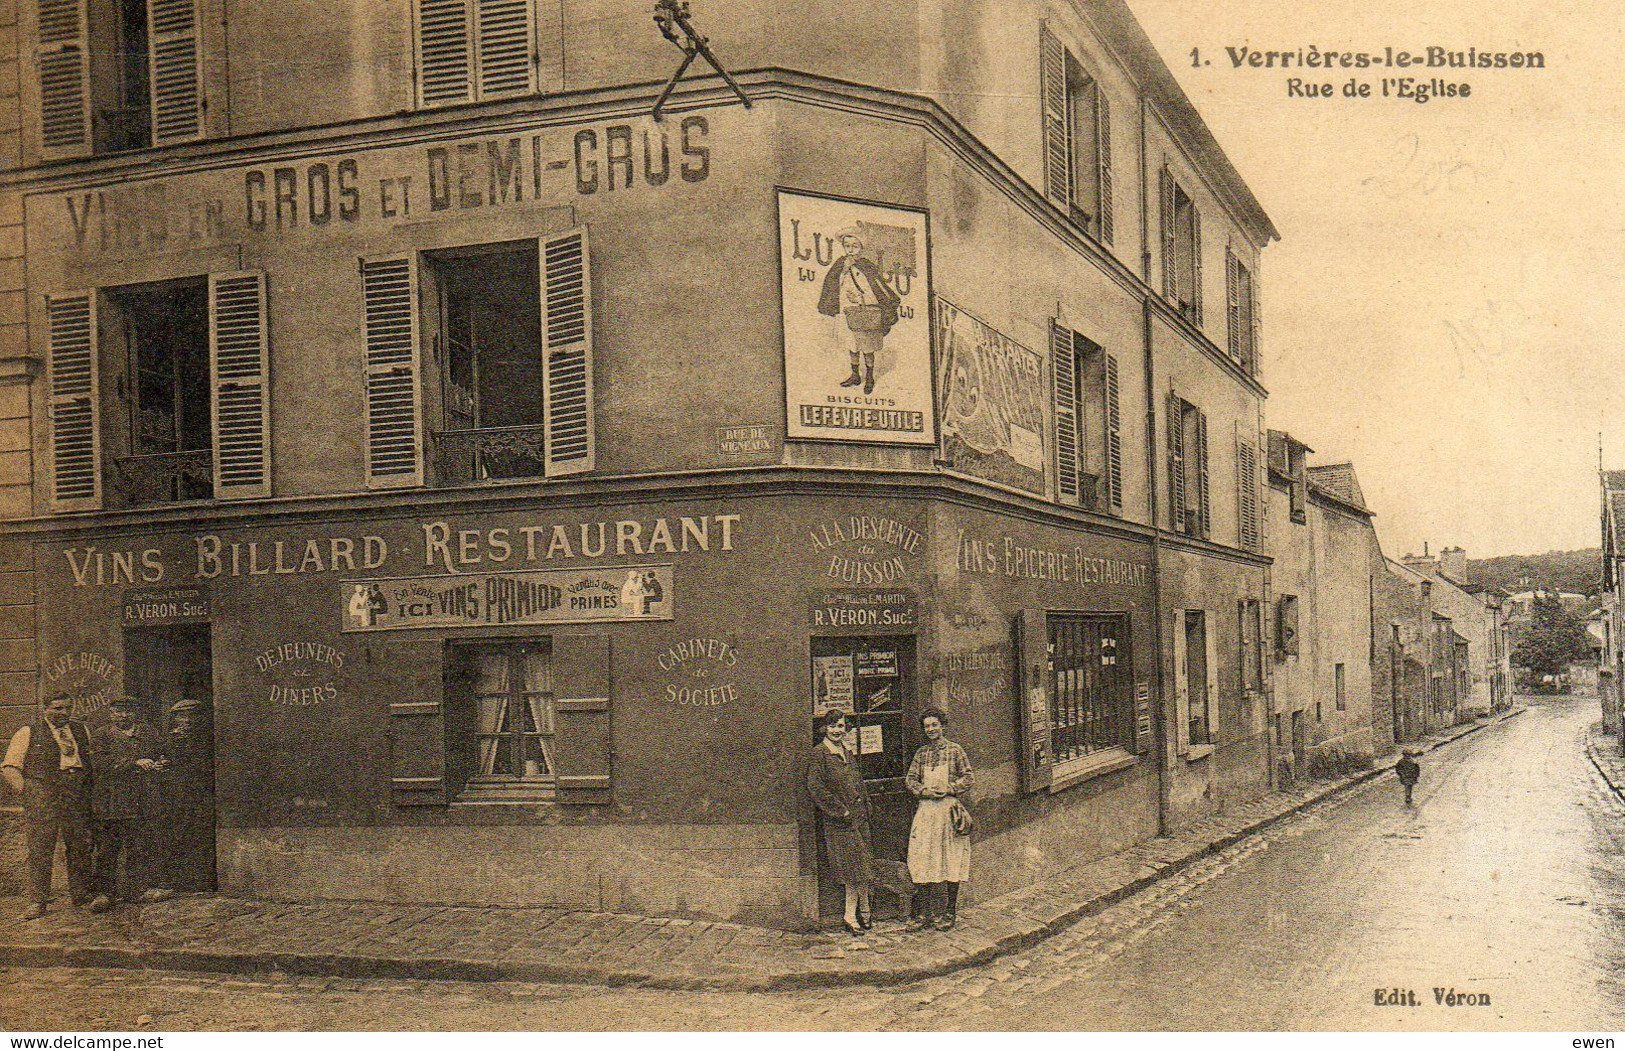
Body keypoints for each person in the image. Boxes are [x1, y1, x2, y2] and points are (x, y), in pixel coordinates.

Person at [1, 694, 94, 919]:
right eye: (57, 708)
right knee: (41, 847)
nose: (63, 712)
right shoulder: (28, 732)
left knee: (80, 844)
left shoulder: (81, 730)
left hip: (75, 795)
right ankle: (37, 901)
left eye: (67, 708)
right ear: (46, 709)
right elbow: (10, 767)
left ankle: (81, 895)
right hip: (44, 797)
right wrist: (29, 793)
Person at [87, 697, 166, 911]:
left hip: (142, 799)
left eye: (127, 711)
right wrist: (134, 763)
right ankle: (103, 893)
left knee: (139, 846)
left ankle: (137, 890)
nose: (122, 716)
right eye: (117, 712)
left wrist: (161, 763)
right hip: (112, 801)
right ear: (110, 714)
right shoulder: (101, 735)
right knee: (107, 849)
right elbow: (100, 763)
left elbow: (161, 752)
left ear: (136, 713)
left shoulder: (149, 732)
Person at [904, 708, 973, 931]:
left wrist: (950, 787)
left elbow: (969, 777)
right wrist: (924, 791)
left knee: (951, 858)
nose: (931, 729)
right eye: (927, 726)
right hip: (926, 811)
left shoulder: (955, 751)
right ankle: (925, 912)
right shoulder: (921, 753)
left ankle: (949, 911)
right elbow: (910, 780)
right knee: (923, 857)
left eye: (934, 725)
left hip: (948, 811)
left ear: (942, 725)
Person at [806, 710, 873, 935]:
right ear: (825, 728)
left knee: (862, 865)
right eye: (832, 726)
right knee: (853, 869)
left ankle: (864, 909)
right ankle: (850, 916)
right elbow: (816, 788)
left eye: (841, 726)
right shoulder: (819, 754)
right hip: (840, 822)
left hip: (859, 818)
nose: (837, 730)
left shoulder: (846, 751)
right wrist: (840, 811)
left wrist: (865, 808)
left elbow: (857, 782)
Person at [816, 229, 900, 395]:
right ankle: (855, 375)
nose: (851, 249)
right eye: (847, 245)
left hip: (865, 314)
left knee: (867, 348)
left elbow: (877, 291)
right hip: (847, 313)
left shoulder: (867, 266)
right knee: (852, 346)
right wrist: (844, 273)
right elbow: (832, 287)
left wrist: (860, 299)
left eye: (855, 245)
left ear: (861, 247)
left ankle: (869, 377)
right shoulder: (840, 265)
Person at [149, 698, 215, 896]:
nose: (184, 720)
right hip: (176, 794)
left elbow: (203, 763)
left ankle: (203, 880)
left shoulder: (207, 739)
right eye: (180, 716)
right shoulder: (171, 739)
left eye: (189, 716)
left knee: (200, 834)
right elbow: (164, 759)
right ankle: (180, 880)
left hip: (201, 793)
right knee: (177, 834)